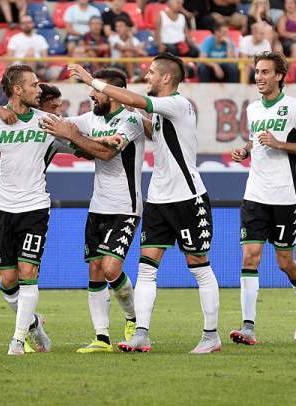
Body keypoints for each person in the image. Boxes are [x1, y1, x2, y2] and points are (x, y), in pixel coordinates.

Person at [69, 53, 221, 354]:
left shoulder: (178, 104)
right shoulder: (162, 114)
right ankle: (141, 334)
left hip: (187, 197)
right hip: (158, 199)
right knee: (147, 268)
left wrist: (91, 80)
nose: (146, 76)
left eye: (151, 72)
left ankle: (211, 336)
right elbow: (151, 127)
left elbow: (138, 102)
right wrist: (129, 123)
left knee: (199, 267)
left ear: (166, 78)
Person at [41, 68, 149, 353]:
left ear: (112, 93)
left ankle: (133, 318)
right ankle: (101, 338)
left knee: (112, 269)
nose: (91, 95)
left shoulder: (131, 120)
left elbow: (107, 153)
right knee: (95, 269)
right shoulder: (89, 120)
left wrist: (74, 136)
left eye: (96, 91)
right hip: (98, 206)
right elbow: (58, 125)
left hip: (126, 206)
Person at [0, 64, 70, 356]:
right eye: (34, 84)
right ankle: (34, 323)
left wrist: (102, 142)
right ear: (17, 89)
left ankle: (17, 340)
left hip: (35, 208)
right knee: (7, 280)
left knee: (28, 272)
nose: (39, 89)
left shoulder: (47, 122)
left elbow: (80, 139)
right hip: (0, 209)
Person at [230, 51, 296, 345]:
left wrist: (280, 144)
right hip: (255, 193)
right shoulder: (253, 109)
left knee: (285, 262)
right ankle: (248, 327)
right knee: (250, 255)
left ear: (280, 76)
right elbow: (255, 140)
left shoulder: (295, 108)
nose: (259, 77)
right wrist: (245, 150)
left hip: (285, 196)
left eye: (265, 72)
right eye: (257, 71)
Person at [109, 16, 147, 81]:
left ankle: (137, 77)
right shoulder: (112, 38)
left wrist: (130, 37)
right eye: (117, 26)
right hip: (117, 65)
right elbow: (122, 48)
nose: (118, 29)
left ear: (127, 27)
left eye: (121, 26)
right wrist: (136, 49)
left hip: (132, 65)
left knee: (132, 55)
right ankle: (133, 77)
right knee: (127, 54)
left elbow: (142, 54)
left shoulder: (134, 39)